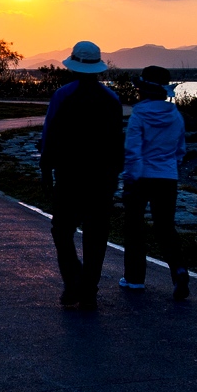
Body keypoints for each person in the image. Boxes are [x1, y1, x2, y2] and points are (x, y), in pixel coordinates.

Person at [39, 41, 124, 310]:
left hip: (69, 176)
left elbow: (49, 134)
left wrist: (45, 169)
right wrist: (115, 174)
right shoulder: (111, 100)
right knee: (96, 235)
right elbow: (116, 140)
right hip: (102, 178)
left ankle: (73, 280)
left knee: (62, 231)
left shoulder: (63, 95)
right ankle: (89, 290)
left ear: (74, 67)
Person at [120, 65, 190, 300]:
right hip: (167, 177)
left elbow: (133, 151)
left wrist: (130, 178)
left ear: (143, 90)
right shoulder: (175, 115)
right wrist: (170, 166)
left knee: (134, 227)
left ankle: (134, 278)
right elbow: (180, 150)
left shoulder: (139, 115)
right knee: (165, 227)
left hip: (141, 177)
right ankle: (179, 271)